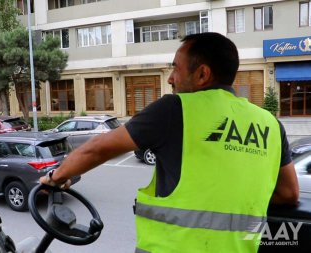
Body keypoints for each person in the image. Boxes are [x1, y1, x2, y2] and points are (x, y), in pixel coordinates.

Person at [40, 33, 299, 252]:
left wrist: (56, 176)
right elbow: (289, 194)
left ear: (202, 75)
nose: (170, 78)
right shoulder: (270, 124)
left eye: (176, 68)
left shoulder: (176, 109)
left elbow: (99, 148)